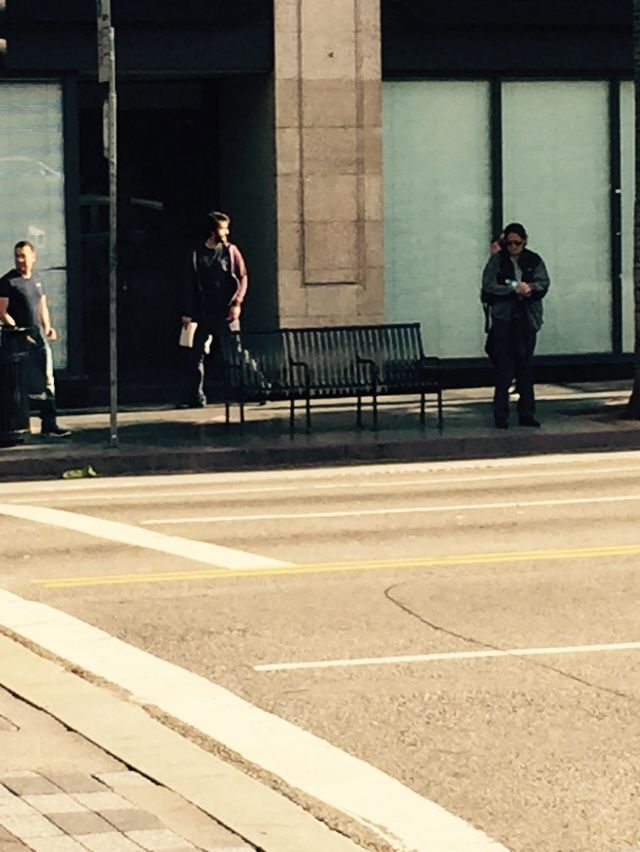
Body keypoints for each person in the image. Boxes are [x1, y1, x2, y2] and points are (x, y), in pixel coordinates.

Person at [481, 222, 550, 429]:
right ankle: (500, 415)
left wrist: (530, 288)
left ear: (524, 242)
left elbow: (544, 283)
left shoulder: (533, 260)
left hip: (527, 318)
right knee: (504, 368)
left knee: (526, 367)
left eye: (517, 243)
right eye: (509, 243)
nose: (513, 247)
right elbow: (488, 285)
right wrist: (512, 289)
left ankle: (526, 413)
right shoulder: (497, 261)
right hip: (504, 318)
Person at [0, 241, 71, 437]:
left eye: (24, 255)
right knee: (18, 382)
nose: (20, 260)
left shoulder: (37, 280)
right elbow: (2, 311)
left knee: (47, 380)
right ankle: (16, 424)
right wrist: (15, 328)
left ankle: (49, 423)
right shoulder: (8, 282)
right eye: (17, 256)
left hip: (38, 337)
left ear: (33, 256)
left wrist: (48, 327)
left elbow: (42, 306)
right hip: (18, 341)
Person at [178, 210, 248, 408]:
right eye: (222, 228)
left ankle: (256, 387)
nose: (226, 232)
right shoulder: (196, 254)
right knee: (196, 355)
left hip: (226, 312)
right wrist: (187, 312)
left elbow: (242, 277)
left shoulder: (230, 251)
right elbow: (189, 283)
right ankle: (196, 395)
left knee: (236, 352)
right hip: (203, 312)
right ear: (211, 231)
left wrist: (237, 303)